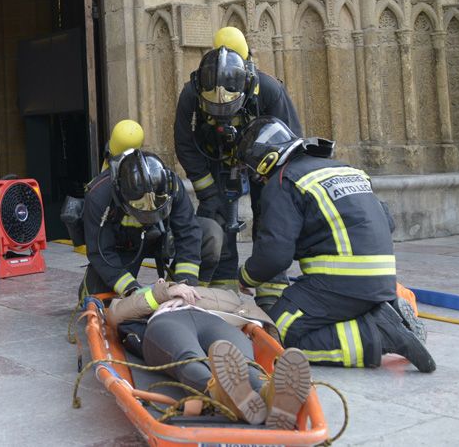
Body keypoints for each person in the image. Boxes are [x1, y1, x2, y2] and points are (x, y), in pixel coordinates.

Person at [234, 117, 435, 372]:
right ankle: (385, 312)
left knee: (274, 334)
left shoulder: (283, 181)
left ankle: (376, 335)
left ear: (265, 161)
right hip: (382, 277)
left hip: (340, 282)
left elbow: (275, 254)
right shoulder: (344, 169)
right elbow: (387, 221)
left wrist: (245, 278)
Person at [174, 26, 301, 303]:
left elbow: (291, 145)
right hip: (214, 162)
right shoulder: (191, 93)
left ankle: (272, 290)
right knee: (215, 221)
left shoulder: (268, 90)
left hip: (265, 166)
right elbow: (185, 144)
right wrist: (207, 192)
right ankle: (223, 289)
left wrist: (275, 189)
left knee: (271, 218)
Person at [105, 279, 312, 429]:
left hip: (214, 319)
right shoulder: (150, 294)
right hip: (167, 320)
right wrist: (165, 292)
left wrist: (264, 332)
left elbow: (251, 311)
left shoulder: (209, 293)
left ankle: (269, 395)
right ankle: (223, 395)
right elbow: (116, 315)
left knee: (244, 361)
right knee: (189, 358)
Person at [81, 148, 205, 297]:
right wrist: (132, 291)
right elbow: (101, 253)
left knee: (210, 234)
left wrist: (184, 284)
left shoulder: (171, 185)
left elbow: (189, 232)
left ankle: (184, 291)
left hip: (161, 240)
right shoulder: (98, 196)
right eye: (141, 209)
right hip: (123, 248)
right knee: (102, 295)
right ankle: (88, 289)